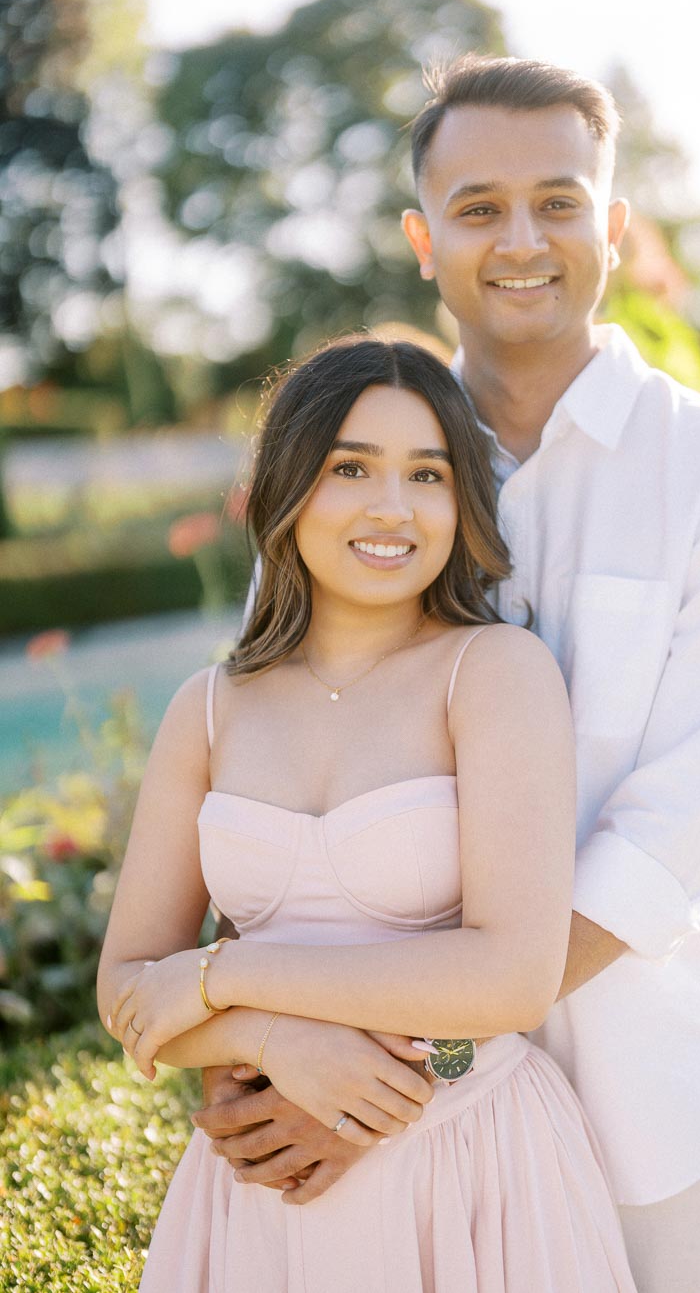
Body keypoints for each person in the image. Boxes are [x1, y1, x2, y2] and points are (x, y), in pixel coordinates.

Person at [194, 57, 700, 1293]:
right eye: (477, 207)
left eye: (560, 201)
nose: (521, 238)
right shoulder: (339, 485)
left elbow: (667, 838)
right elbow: (257, 771)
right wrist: (262, 1047)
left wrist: (400, 1057)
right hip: (383, 1126)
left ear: (615, 227)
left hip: (660, 1099)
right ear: (424, 239)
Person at [97, 336, 638, 1291]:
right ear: (289, 485)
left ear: (460, 502)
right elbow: (129, 989)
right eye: (352, 467)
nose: (393, 508)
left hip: (474, 1169)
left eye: (426, 475)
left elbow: (514, 976)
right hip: (259, 1198)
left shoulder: (494, 673)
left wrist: (227, 975)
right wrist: (271, 1039)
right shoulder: (209, 708)